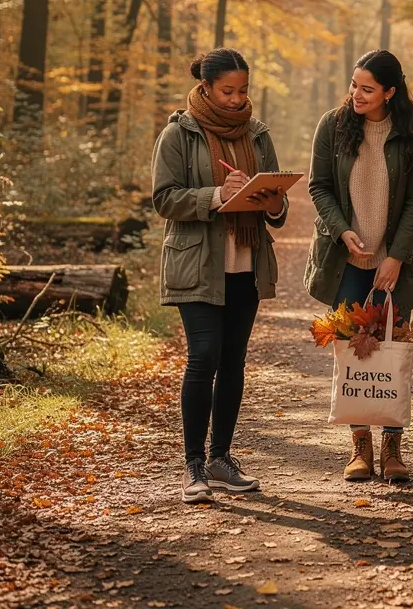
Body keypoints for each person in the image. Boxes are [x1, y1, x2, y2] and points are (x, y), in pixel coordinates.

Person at [151, 48, 288, 504]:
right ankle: (193, 466)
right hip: (197, 262)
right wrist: (213, 195)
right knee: (203, 356)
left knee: (233, 362)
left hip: (245, 263)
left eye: (243, 90)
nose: (236, 99)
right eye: (228, 91)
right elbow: (164, 199)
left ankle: (220, 458)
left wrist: (273, 203)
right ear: (206, 87)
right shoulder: (178, 133)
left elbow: (277, 202)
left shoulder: (258, 133)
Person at [306, 50, 413, 483]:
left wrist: (396, 257)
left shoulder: (412, 132)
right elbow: (319, 186)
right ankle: (360, 446)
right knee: (351, 350)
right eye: (353, 85)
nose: (356, 95)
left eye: (367, 89)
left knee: (394, 347)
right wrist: (342, 231)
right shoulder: (333, 125)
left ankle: (392, 447)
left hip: (396, 260)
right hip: (347, 260)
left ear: (390, 92)